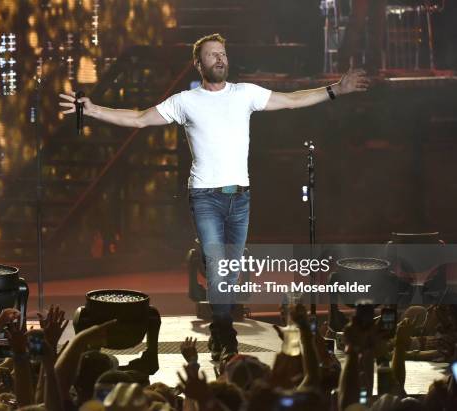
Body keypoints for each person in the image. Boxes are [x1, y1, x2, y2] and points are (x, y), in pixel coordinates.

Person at [59, 33, 369, 362]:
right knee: (219, 265)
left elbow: (292, 100)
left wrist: (337, 89)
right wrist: (93, 110)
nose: (219, 59)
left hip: (241, 197)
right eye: (212, 55)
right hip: (205, 196)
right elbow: (138, 118)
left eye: (223, 53)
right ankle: (225, 334)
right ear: (199, 63)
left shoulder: (245, 94)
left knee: (229, 271)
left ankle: (221, 333)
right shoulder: (185, 101)